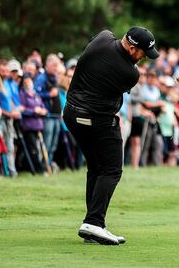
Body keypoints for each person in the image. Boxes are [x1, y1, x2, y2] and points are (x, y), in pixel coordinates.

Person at [63, 27, 159, 245]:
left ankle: (92, 226)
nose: (143, 58)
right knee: (111, 170)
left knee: (96, 168)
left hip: (71, 114)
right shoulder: (131, 74)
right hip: (99, 120)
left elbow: (99, 42)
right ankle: (94, 222)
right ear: (132, 47)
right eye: (143, 53)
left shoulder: (103, 38)